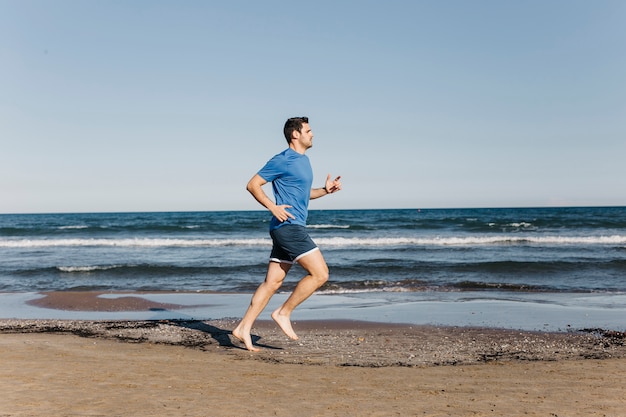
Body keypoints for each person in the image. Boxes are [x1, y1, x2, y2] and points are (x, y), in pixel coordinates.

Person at [232, 116, 342, 351]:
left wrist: (325, 190)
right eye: (309, 130)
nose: (312, 134)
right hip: (289, 227)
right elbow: (252, 184)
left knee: (272, 283)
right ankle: (283, 312)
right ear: (296, 134)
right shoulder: (282, 159)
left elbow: (304, 194)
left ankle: (243, 328)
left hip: (289, 227)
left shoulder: (305, 161)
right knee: (321, 274)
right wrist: (272, 207)